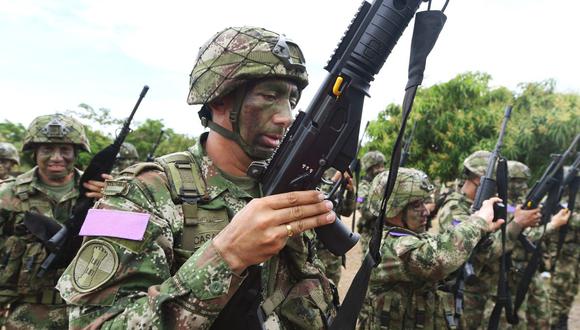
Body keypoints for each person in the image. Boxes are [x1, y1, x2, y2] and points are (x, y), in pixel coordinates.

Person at [56, 26, 338, 329]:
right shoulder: (137, 193)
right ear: (219, 99)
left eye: (291, 100)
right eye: (270, 96)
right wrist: (225, 257)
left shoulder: (286, 186)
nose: (286, 116)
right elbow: (93, 324)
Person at [357, 167, 504, 329]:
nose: (425, 211)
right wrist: (478, 222)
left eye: (424, 203)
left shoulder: (417, 238)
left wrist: (482, 240)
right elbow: (438, 260)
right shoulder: (389, 246)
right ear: (394, 210)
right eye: (416, 205)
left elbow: (455, 270)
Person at [0, 114, 106, 329]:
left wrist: (114, 202)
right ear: (35, 153)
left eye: (65, 150)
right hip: (25, 314)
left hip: (86, 313)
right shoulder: (7, 194)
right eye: (47, 150)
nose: (56, 157)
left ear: (76, 153)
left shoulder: (100, 192)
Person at [433, 152, 545, 330]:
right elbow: (484, 252)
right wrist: (517, 224)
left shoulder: (487, 206)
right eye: (498, 183)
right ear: (480, 180)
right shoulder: (455, 209)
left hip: (488, 291)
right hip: (466, 296)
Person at [549, 166, 580, 330]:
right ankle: (554, 324)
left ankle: (562, 321)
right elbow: (566, 217)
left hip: (574, 253)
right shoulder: (557, 196)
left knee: (570, 291)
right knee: (558, 293)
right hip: (561, 252)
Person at [316, 168, 355, 286]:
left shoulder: (330, 184)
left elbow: (346, 211)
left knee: (332, 290)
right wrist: (336, 179)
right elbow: (321, 198)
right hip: (314, 253)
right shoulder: (306, 185)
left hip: (332, 251)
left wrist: (350, 192)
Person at [357, 150, 386, 253]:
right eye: (377, 167)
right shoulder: (363, 187)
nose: (381, 169)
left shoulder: (384, 184)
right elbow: (366, 212)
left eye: (382, 166)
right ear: (369, 169)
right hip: (370, 234)